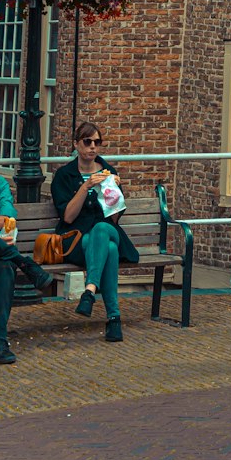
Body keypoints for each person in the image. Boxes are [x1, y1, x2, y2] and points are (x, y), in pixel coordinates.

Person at [50, 121, 139, 343]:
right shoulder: (64, 176)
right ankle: (114, 318)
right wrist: (85, 186)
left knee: (103, 229)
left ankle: (89, 291)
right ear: (76, 144)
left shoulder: (109, 172)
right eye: (87, 142)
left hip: (109, 230)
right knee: (108, 250)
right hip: (77, 240)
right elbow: (68, 217)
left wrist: (114, 192)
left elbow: (114, 219)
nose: (92, 147)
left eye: (97, 142)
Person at [0, 173, 54, 364]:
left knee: (6, 266)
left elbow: (6, 220)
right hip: (4, 247)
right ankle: (24, 263)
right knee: (8, 256)